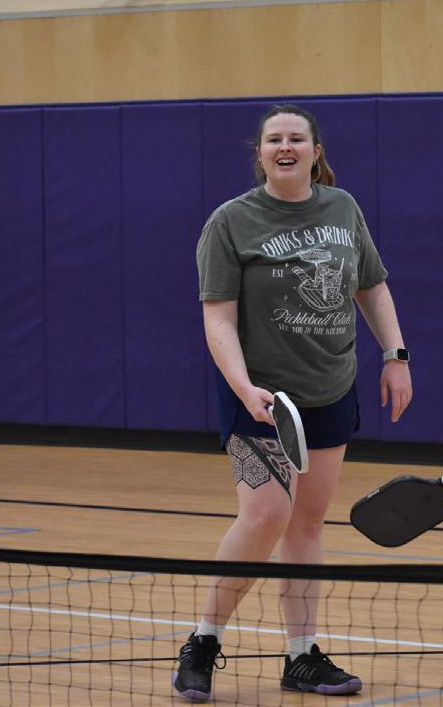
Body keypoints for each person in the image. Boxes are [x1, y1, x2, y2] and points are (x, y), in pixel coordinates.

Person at [173, 103, 412, 701]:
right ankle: (203, 640)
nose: (286, 146)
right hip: (262, 396)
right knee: (264, 517)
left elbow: (372, 285)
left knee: (306, 523)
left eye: (297, 138)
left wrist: (395, 354)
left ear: (315, 151)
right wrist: (241, 386)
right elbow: (217, 319)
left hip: (331, 387)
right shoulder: (230, 222)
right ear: (260, 154)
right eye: (274, 139)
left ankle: (301, 656)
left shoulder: (343, 208)